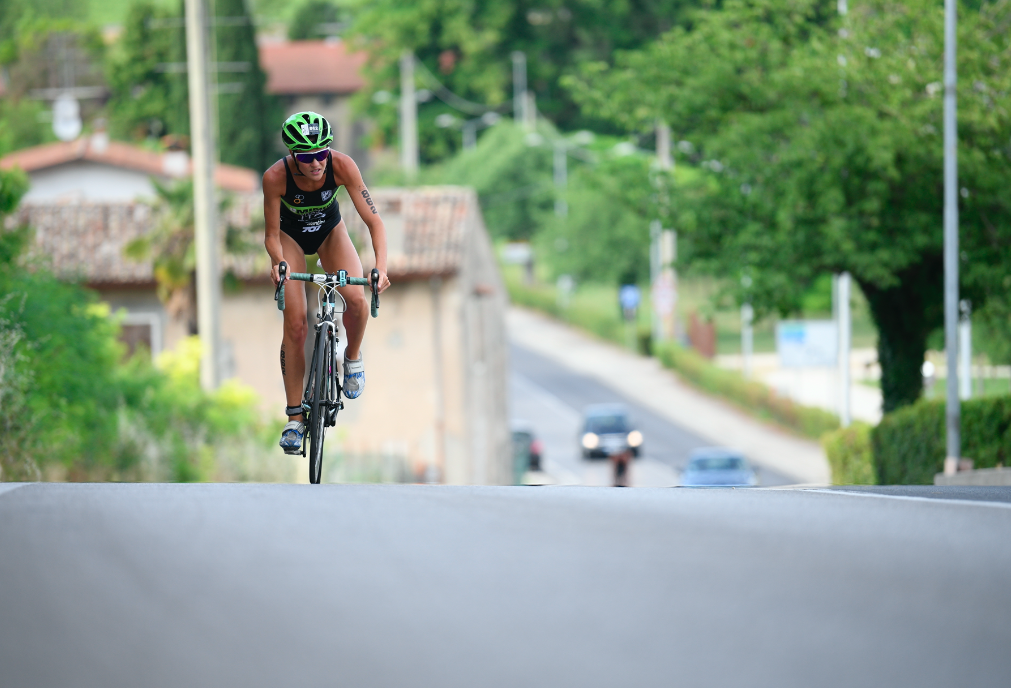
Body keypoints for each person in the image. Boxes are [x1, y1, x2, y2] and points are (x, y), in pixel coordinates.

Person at [264, 111, 390, 454]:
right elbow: (272, 235)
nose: (317, 162)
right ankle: (294, 419)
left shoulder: (342, 166)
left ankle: (351, 359)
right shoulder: (275, 177)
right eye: (307, 157)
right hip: (291, 238)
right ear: (293, 156)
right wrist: (279, 263)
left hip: (329, 233)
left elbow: (375, 223)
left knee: (358, 300)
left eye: (322, 153)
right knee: (296, 325)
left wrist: (381, 268)